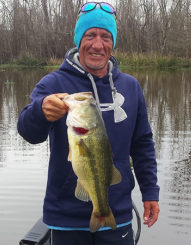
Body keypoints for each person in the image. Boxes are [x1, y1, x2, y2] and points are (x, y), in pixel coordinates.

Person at [17, 2, 160, 244]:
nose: (97, 44)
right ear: (78, 40)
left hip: (117, 213)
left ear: (112, 42)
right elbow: (28, 132)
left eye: (105, 36)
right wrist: (40, 112)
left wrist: (150, 192)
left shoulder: (131, 87)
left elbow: (143, 144)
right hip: (65, 217)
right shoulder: (53, 83)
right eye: (90, 35)